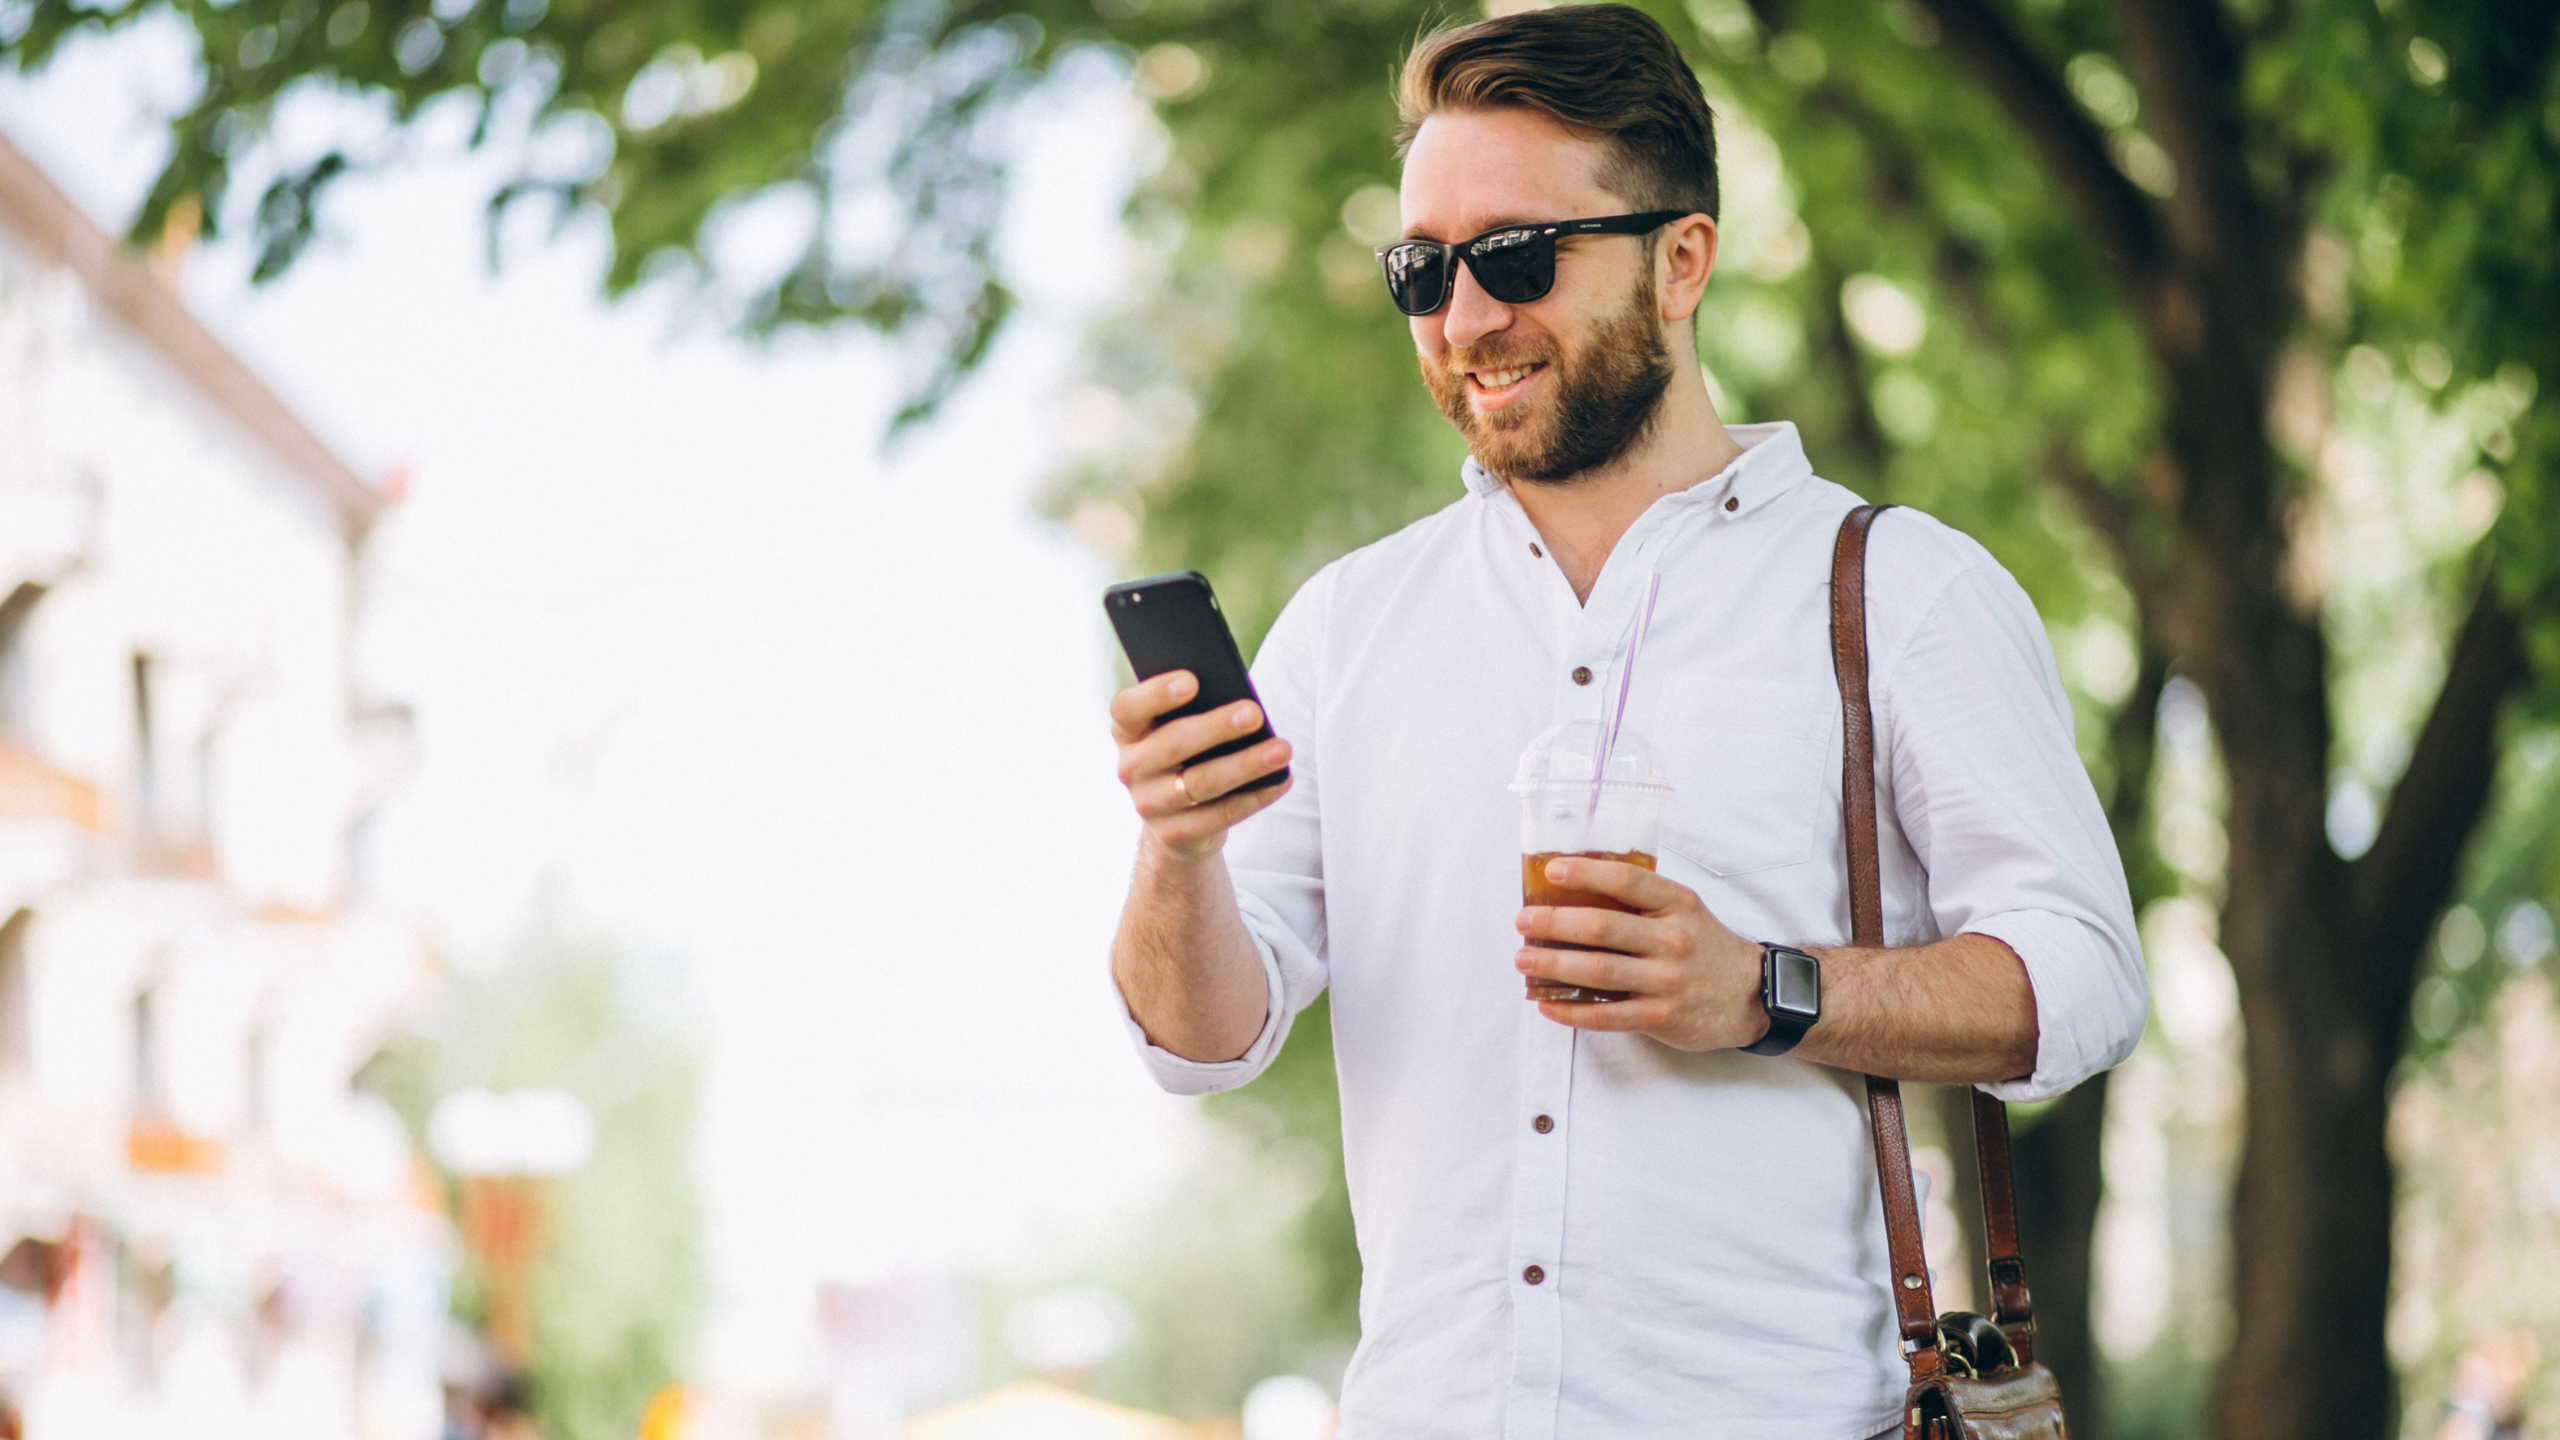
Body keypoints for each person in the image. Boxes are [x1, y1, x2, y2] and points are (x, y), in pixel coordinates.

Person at [1103, 7, 2147, 1437]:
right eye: (1424, 269)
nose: (1466, 319)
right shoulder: (1347, 627)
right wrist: (1179, 852)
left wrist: (1768, 992)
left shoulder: (1898, 592)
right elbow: (1199, 1043)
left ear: (1682, 259)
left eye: (1518, 257)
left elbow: (2085, 976)